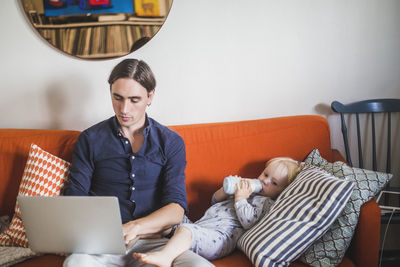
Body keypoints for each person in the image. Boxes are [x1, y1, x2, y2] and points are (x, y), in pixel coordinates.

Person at [63, 59, 213, 267]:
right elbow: (75, 199)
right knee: (75, 264)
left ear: (150, 96)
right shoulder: (90, 139)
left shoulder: (171, 142)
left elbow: (176, 208)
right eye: (118, 98)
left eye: (134, 100)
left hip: (156, 243)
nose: (124, 109)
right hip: (102, 246)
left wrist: (136, 227)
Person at [133, 157, 304, 267]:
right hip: (200, 227)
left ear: (282, 192)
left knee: (186, 231)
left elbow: (249, 222)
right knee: (174, 217)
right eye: (265, 174)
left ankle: (165, 256)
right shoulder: (248, 190)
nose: (265, 181)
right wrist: (226, 190)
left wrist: (240, 199)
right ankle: (145, 234)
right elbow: (214, 201)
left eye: (273, 183)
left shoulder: (266, 203)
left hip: (219, 239)